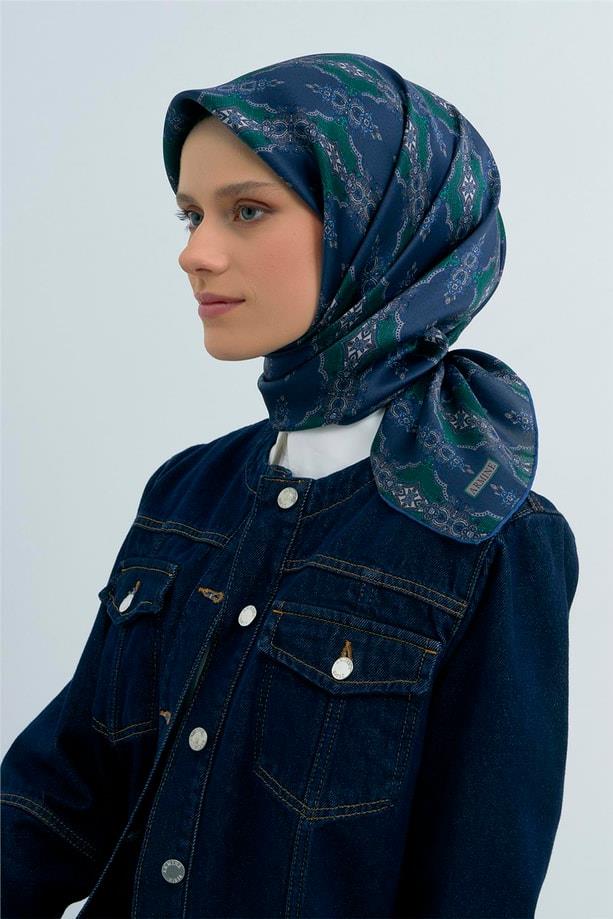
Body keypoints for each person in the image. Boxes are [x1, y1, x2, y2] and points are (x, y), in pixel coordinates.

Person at [0, 52, 580, 918]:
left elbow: (475, 885)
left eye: (246, 210)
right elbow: (60, 793)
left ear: (378, 227)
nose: (194, 253)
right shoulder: (186, 491)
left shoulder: (491, 536)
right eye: (191, 214)